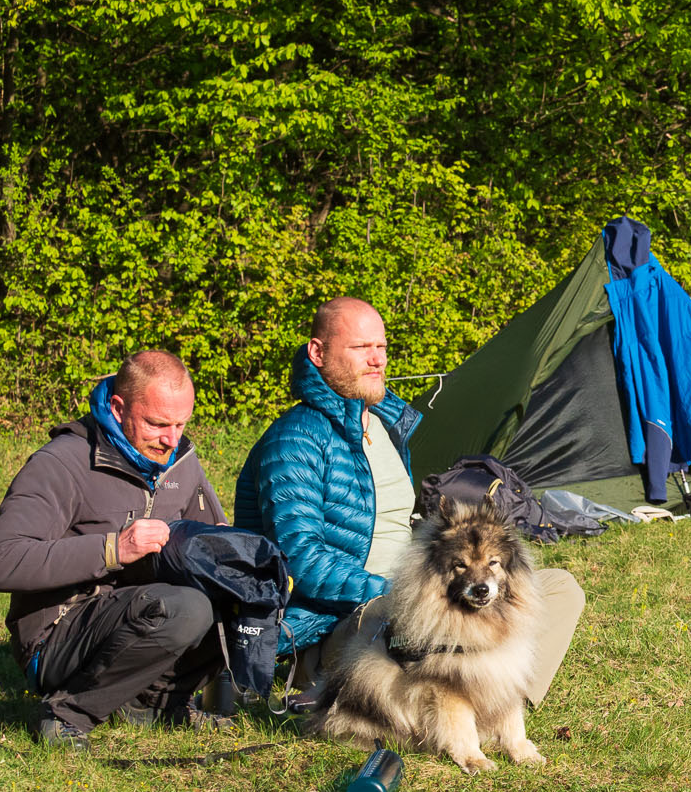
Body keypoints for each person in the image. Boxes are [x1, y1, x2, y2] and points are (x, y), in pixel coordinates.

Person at [236, 297, 586, 701]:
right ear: (318, 353)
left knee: (560, 588)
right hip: (342, 620)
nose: (377, 359)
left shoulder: (386, 424)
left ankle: (501, 704)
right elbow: (299, 558)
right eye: (360, 348)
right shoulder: (295, 439)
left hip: (414, 595)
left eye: (381, 347)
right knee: (411, 621)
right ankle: (449, 702)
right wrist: (394, 592)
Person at [0, 351, 230, 747]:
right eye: (158, 424)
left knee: (244, 591)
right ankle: (66, 713)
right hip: (59, 637)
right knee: (185, 607)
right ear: (118, 407)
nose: (172, 439)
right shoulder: (62, 463)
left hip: (143, 613)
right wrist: (114, 549)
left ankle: (159, 700)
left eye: (181, 424)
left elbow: (217, 538)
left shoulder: (181, 462)